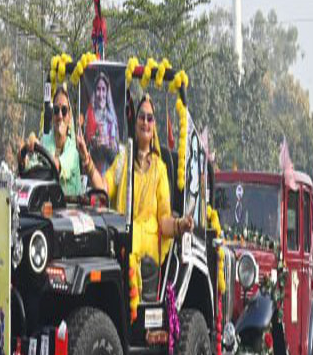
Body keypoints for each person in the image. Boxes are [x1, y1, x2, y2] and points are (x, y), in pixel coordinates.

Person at [84, 94, 193, 266]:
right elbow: (103, 187)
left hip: (146, 255)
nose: (145, 122)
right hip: (121, 245)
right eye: (141, 117)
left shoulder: (160, 169)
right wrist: (87, 161)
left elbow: (164, 221)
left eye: (150, 119)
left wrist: (181, 225)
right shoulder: (123, 159)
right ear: (135, 124)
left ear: (154, 126)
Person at [22, 85, 84, 196]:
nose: (60, 116)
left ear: (69, 116)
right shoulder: (44, 141)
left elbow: (55, 166)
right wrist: (25, 152)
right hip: (46, 205)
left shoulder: (73, 152)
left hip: (69, 208)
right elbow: (30, 168)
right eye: (56, 110)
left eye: (64, 110)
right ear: (52, 115)